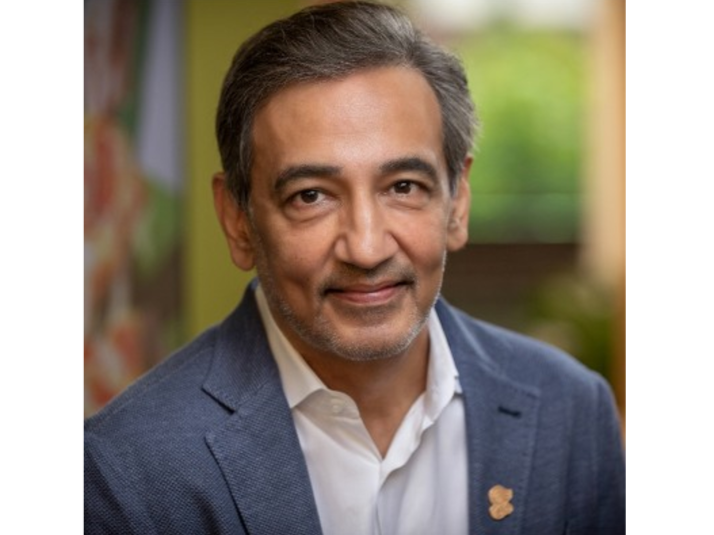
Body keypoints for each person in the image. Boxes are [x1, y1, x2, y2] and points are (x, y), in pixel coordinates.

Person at [84, 2, 625, 534]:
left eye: (404, 187)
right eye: (311, 195)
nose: (366, 249)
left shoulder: (572, 415)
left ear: (457, 204)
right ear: (238, 221)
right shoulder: (124, 473)